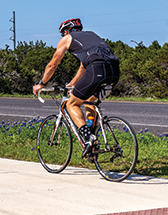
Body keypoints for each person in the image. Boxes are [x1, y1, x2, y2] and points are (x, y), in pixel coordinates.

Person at [32, 18, 120, 157]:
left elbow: (52, 65)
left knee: (72, 104)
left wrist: (41, 84)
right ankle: (93, 138)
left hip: (97, 69)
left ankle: (88, 138)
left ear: (66, 31)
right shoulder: (91, 35)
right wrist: (72, 84)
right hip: (114, 71)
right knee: (89, 100)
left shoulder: (67, 38)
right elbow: (83, 67)